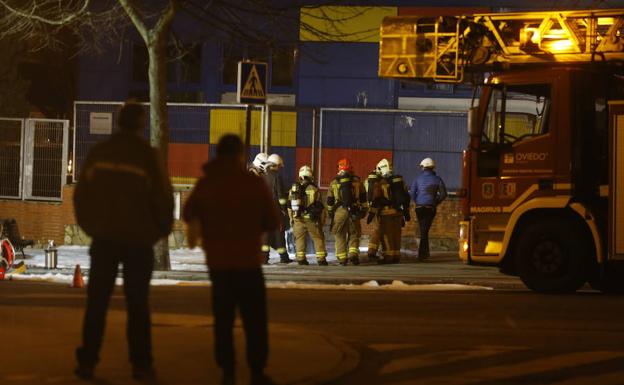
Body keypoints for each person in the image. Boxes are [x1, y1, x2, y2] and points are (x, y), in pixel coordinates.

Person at [73, 101, 174, 380]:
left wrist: (92, 227)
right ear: (141, 123)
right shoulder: (147, 156)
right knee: (138, 305)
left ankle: (88, 361)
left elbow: (81, 196)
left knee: (97, 303)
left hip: (104, 239)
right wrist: (157, 232)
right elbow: (163, 199)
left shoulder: (100, 152)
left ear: (118, 121)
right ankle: (141, 365)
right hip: (138, 243)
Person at [183, 134, 278, 385]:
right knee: (254, 320)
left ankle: (228, 371)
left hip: (218, 264)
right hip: (248, 262)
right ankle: (257, 371)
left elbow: (187, 212)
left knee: (223, 321)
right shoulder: (253, 184)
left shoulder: (206, 183)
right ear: (239, 155)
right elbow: (272, 221)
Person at [367, 159, 411, 264]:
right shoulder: (400, 181)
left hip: (386, 213)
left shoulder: (380, 183)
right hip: (398, 213)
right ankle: (396, 256)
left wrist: (371, 213)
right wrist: (406, 212)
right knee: (396, 234)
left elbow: (376, 200)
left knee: (387, 235)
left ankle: (389, 257)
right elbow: (406, 197)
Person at [327, 158, 367, 266]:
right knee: (354, 234)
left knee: (339, 234)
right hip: (354, 210)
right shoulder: (358, 181)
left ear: (339, 168)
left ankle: (342, 258)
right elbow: (363, 198)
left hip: (340, 211)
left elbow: (330, 200)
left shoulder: (334, 182)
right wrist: (363, 210)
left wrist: (330, 212)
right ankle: (353, 254)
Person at [288, 165, 327, 265]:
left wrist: (291, 218)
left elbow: (289, 206)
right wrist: (322, 220)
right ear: (311, 176)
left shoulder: (293, 189)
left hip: (298, 218)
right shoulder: (314, 189)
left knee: (299, 239)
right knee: (318, 238)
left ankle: (301, 259)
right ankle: (321, 259)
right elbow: (320, 206)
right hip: (312, 219)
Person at [409, 157, 447, 260]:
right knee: (425, 230)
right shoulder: (437, 179)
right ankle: (423, 254)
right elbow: (443, 194)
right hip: (430, 207)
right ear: (432, 168)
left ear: (423, 167)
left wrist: (417, 201)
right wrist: (435, 201)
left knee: (423, 229)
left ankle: (423, 253)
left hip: (419, 208)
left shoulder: (417, 179)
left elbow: (412, 193)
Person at [262, 153, 293, 264]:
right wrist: (284, 209)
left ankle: (263, 258)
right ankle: (284, 257)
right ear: (276, 165)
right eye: (279, 165)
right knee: (278, 233)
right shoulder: (277, 177)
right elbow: (281, 197)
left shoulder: (263, 176)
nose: (280, 168)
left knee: (265, 234)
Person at [364, 168, 382, 262]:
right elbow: (376, 197)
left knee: (378, 229)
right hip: (376, 208)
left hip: (370, 206)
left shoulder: (368, 181)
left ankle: (373, 250)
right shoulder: (377, 182)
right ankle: (371, 251)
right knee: (377, 229)